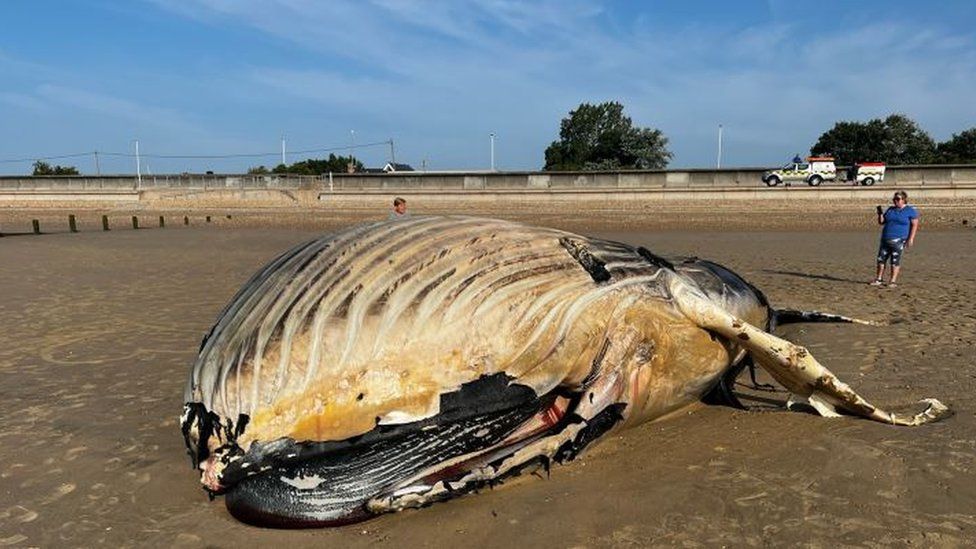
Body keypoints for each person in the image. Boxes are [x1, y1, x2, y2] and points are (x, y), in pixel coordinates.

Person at [870, 190, 919, 287]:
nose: (895, 201)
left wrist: (911, 238)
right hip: (886, 238)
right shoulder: (891, 209)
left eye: (898, 199)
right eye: (894, 199)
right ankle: (879, 279)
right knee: (881, 259)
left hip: (899, 239)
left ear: (904, 200)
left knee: (895, 260)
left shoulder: (910, 211)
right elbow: (882, 222)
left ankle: (892, 281)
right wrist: (880, 214)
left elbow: (914, 225)